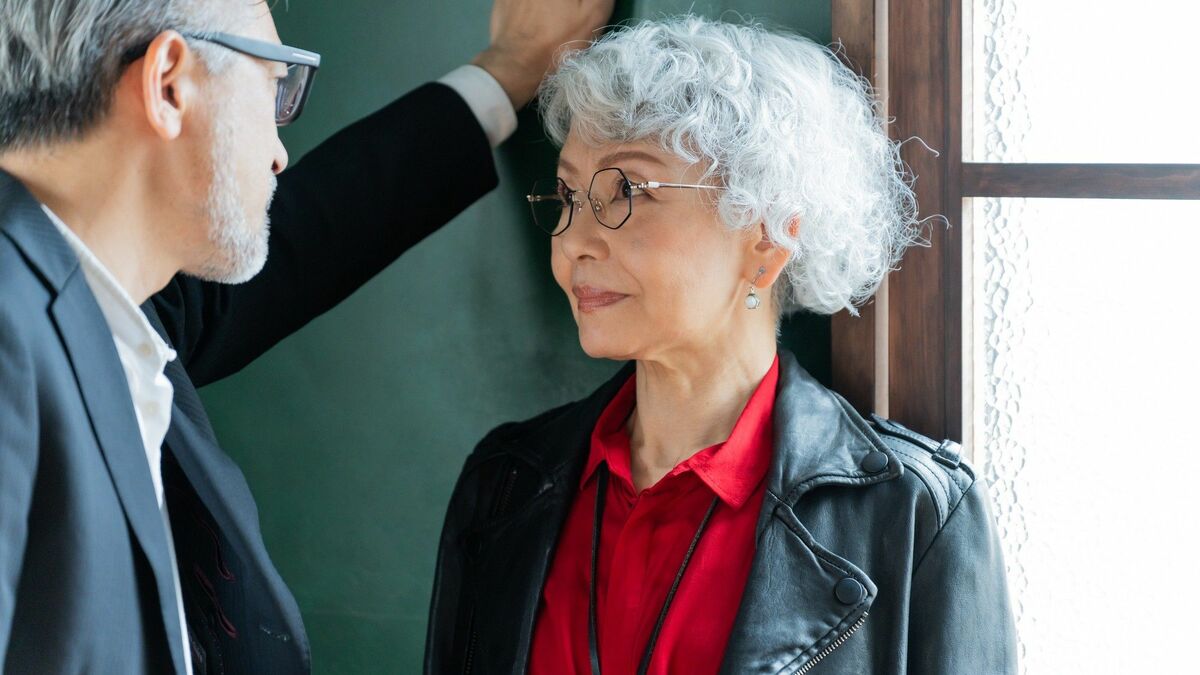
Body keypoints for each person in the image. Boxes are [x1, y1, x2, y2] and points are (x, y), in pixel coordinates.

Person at [0, 0, 612, 672]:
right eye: (275, 85)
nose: (278, 153)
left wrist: (505, 73)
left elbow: (307, 232)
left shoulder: (98, 301)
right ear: (170, 84)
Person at [425, 16, 1017, 675]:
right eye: (569, 195)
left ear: (765, 236)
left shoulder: (917, 515)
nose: (574, 241)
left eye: (628, 191)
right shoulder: (503, 481)